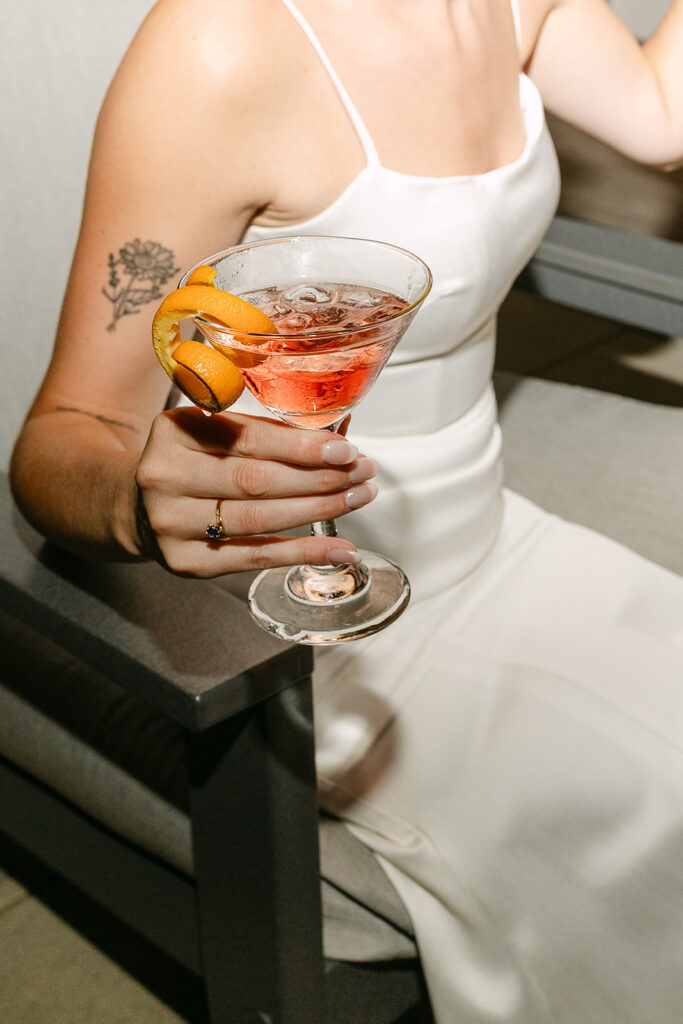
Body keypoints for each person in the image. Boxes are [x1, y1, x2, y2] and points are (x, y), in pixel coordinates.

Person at [10, 1, 683, 1020]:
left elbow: (658, 118)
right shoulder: (220, 44)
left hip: (496, 540)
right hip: (304, 624)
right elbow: (64, 434)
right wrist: (143, 504)